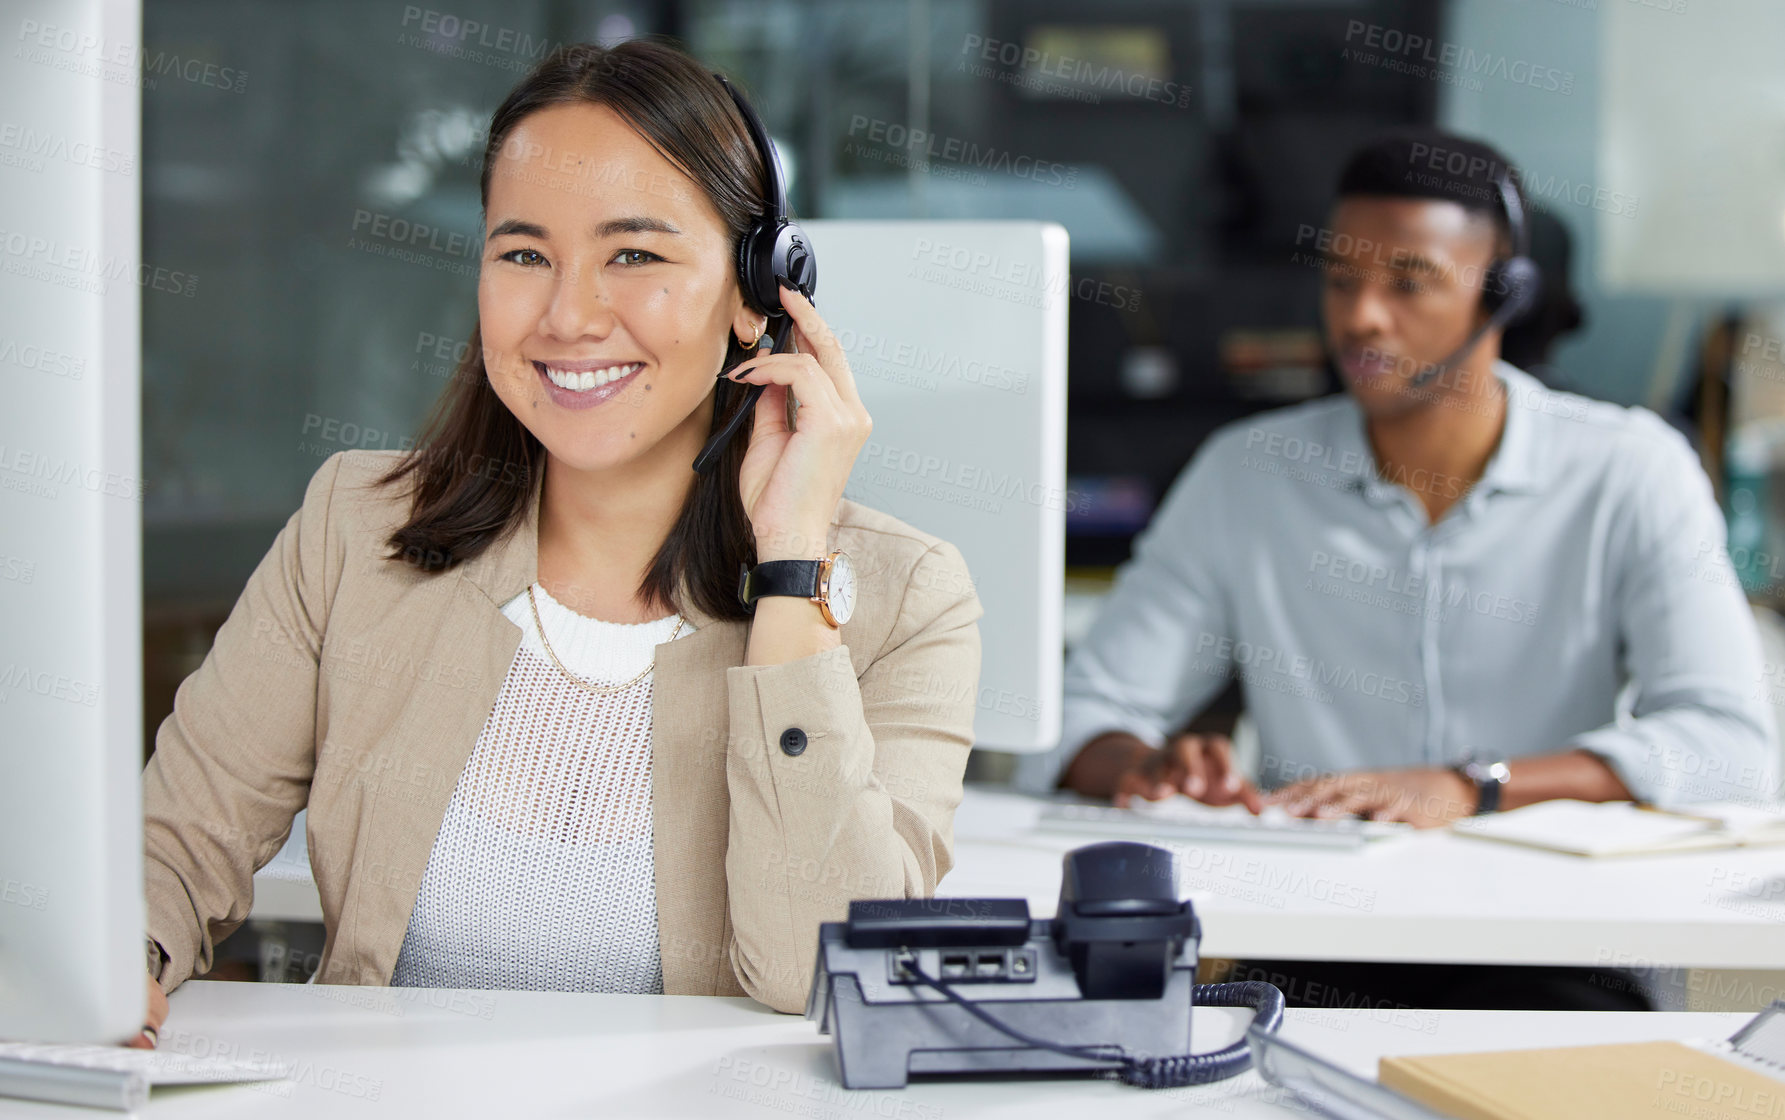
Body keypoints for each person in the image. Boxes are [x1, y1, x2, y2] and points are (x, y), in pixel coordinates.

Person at [133, 38, 982, 1047]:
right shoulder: (356, 530)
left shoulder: (903, 597)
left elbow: (823, 972)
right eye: (524, 254)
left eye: (636, 254)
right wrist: (123, 956)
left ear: (761, 292)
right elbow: (173, 849)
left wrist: (791, 565)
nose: (569, 315)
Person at [1017, 128, 1775, 827]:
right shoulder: (1244, 475)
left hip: (1549, 935)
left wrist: (1470, 784)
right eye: (1341, 280)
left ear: (1500, 295)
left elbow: (1728, 746)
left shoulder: (1629, 471)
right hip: (1324, 926)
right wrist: (1145, 766)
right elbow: (1079, 717)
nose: (1361, 317)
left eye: (1407, 282)